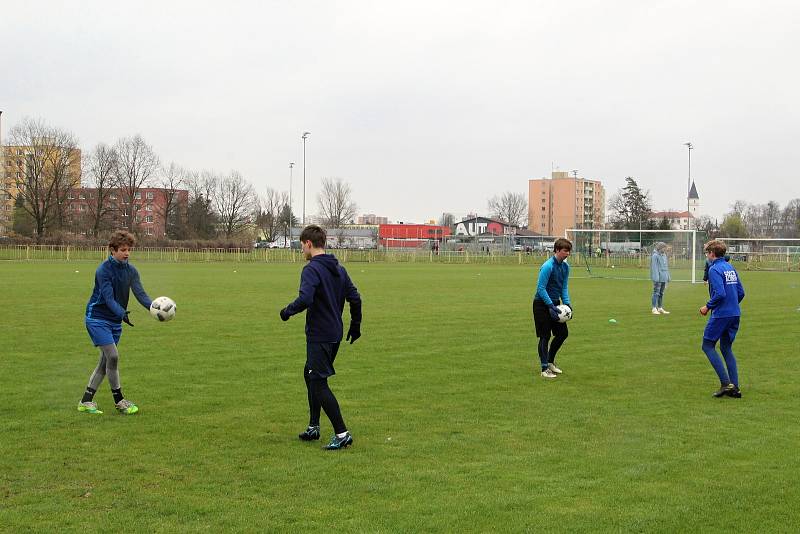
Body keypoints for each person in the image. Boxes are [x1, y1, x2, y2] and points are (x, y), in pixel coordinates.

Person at [280, 225, 362, 450]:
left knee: (318, 381)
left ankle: (342, 433)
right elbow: (355, 299)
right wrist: (355, 326)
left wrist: (286, 312)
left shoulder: (311, 270)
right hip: (334, 334)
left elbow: (305, 299)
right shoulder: (339, 269)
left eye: (301, 245)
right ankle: (313, 426)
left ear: (308, 243)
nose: (301, 250)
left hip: (320, 334)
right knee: (310, 374)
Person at [78, 230, 153, 415]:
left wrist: (154, 308)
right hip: (97, 318)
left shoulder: (131, 270)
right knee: (113, 356)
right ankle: (119, 400)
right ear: (112, 250)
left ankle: (85, 401)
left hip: (115, 321)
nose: (126, 253)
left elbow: (140, 293)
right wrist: (122, 313)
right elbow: (108, 298)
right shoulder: (103, 270)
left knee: (105, 362)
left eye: (129, 249)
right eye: (122, 249)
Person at [700, 240, 745, 398]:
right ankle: (735, 387)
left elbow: (720, 294)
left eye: (707, 252)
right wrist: (732, 306)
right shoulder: (729, 267)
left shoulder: (714, 269)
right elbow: (741, 292)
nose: (707, 255)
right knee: (726, 348)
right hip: (735, 314)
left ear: (712, 253)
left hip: (721, 315)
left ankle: (725, 383)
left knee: (707, 345)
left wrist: (707, 306)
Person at [533, 238, 572, 379]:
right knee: (545, 336)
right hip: (541, 304)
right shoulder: (548, 266)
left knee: (562, 334)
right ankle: (544, 369)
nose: (567, 254)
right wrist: (550, 305)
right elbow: (541, 288)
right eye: (564, 251)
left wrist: (567, 304)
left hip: (555, 304)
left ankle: (550, 362)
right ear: (556, 250)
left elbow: (564, 287)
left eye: (569, 251)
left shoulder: (566, 267)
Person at [649, 242, 671, 314]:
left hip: (664, 277)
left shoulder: (664, 255)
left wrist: (668, 276)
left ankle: (660, 307)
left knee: (661, 293)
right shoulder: (655, 256)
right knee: (656, 293)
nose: (665, 249)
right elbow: (654, 267)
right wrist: (656, 278)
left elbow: (666, 267)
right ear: (660, 248)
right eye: (664, 248)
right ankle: (654, 308)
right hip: (658, 278)